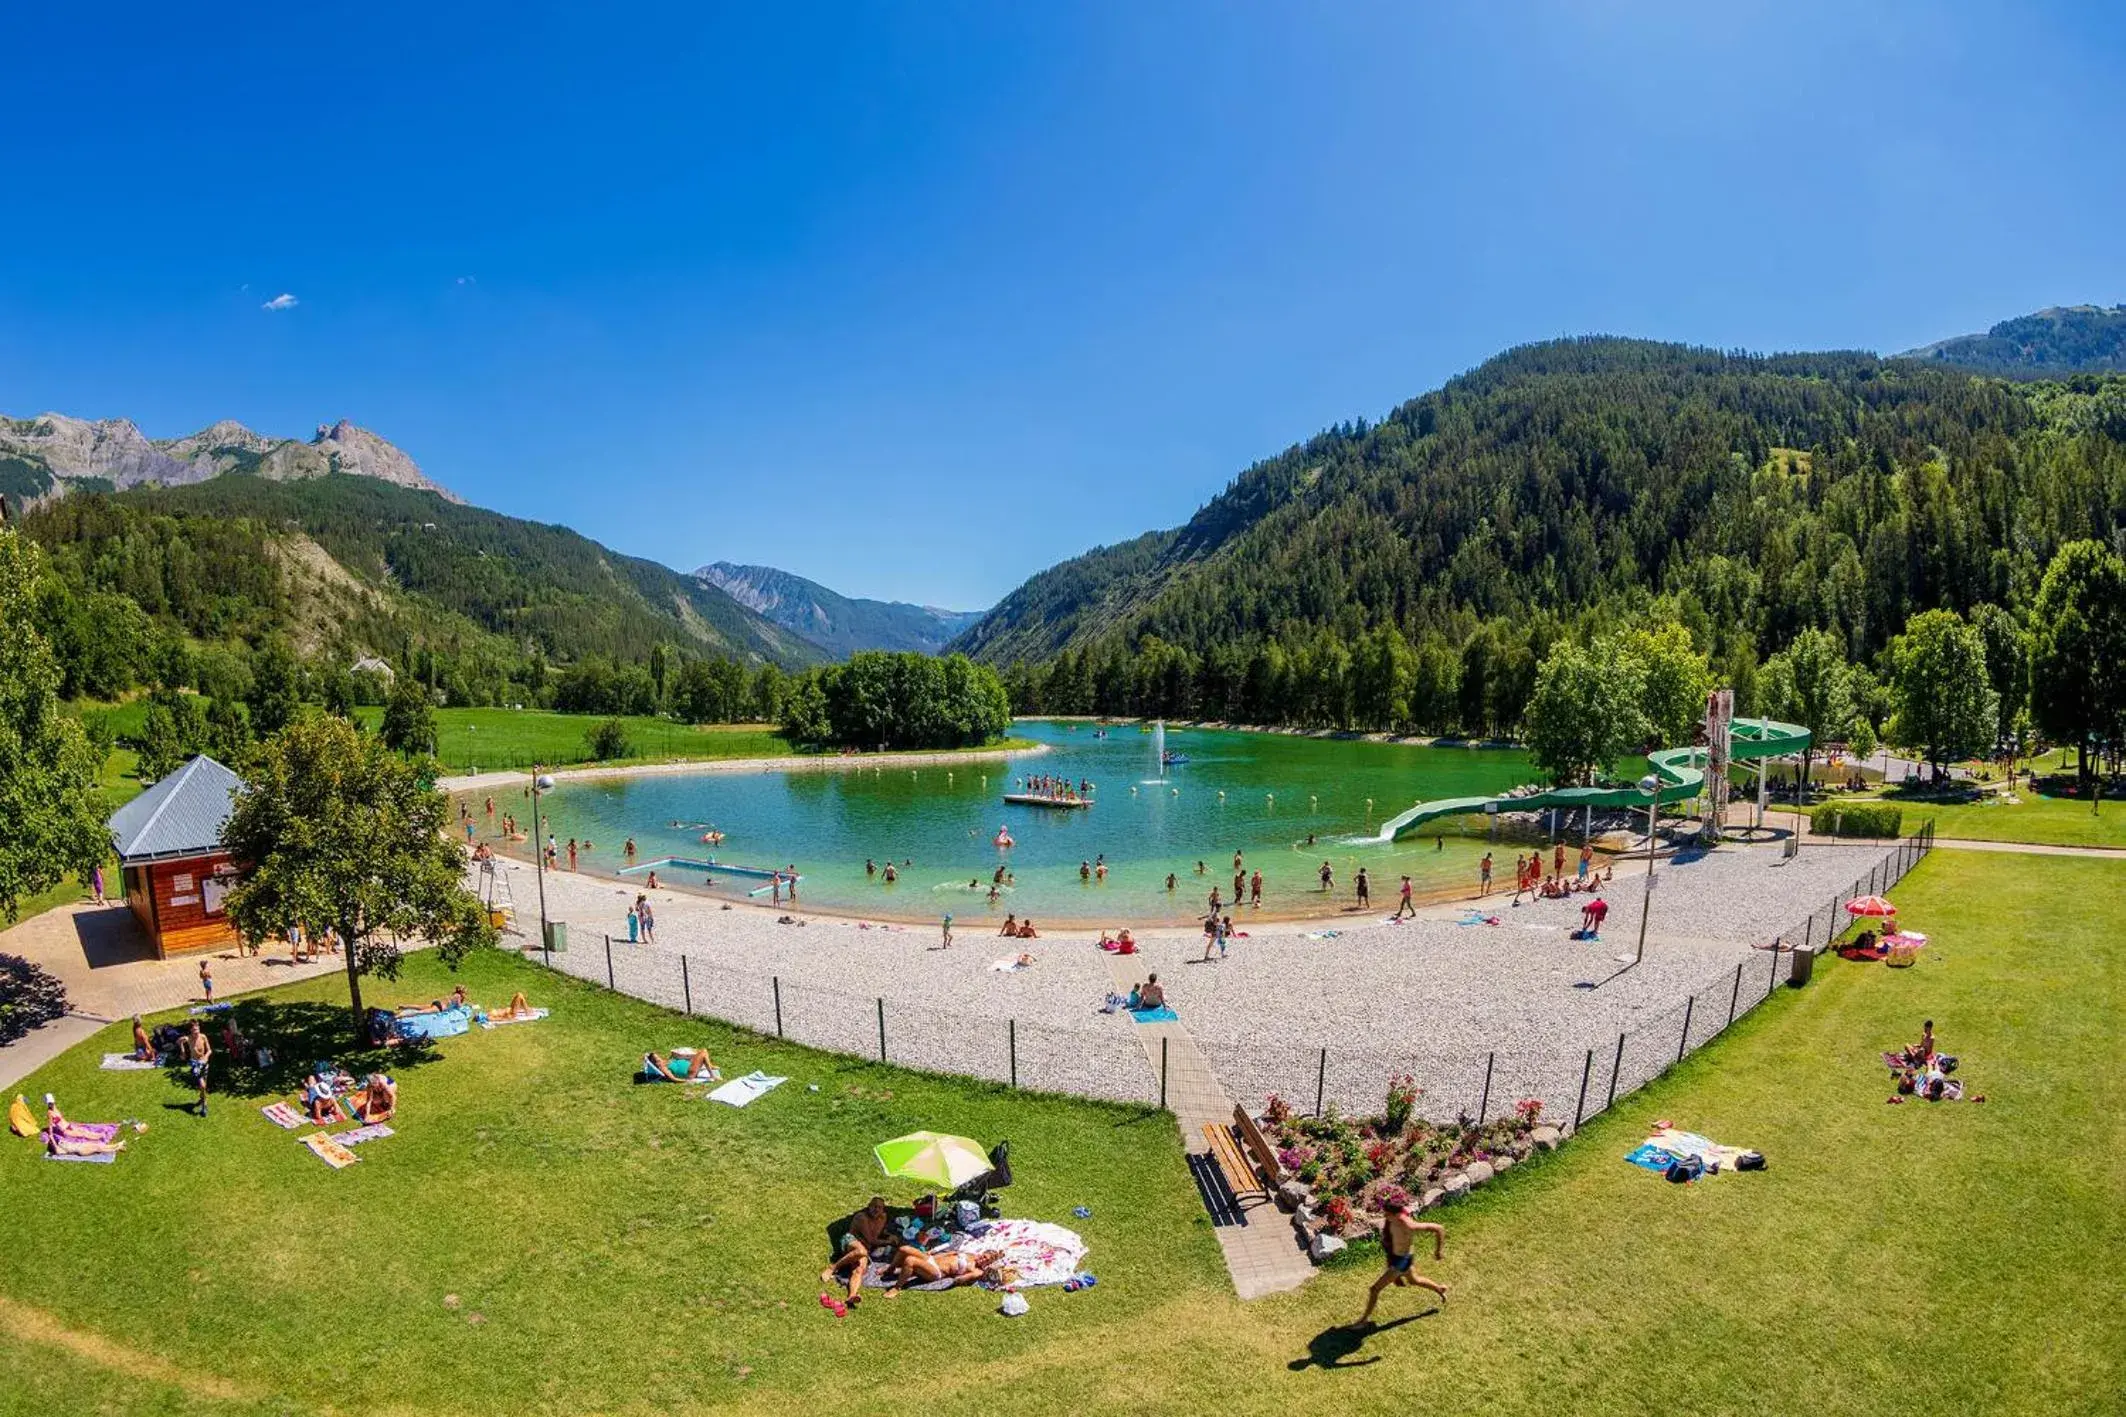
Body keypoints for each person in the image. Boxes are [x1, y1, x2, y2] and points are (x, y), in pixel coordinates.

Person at [1346, 1200, 1447, 1328]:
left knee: (1374, 1289)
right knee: (1415, 1280)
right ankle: (1439, 1289)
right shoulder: (1392, 1220)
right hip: (1400, 1257)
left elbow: (1438, 1228)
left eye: (1387, 1214)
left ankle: (1364, 1320)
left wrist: (1438, 1251)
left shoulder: (1409, 1225)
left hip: (1401, 1260)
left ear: (1397, 1215)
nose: (1385, 1216)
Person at [823, 1196, 895, 1304]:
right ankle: (833, 1267)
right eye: (874, 1206)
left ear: (883, 1210)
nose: (876, 1209)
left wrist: (889, 1236)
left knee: (859, 1269)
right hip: (852, 1241)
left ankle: (852, 1296)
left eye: (879, 1207)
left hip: (866, 1247)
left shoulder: (883, 1217)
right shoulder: (861, 1217)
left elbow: (877, 1233)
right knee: (861, 1252)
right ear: (868, 1207)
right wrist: (889, 1242)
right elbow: (871, 1240)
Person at [886, 1245, 1001, 1293]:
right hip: (932, 1260)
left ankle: (897, 1287)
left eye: (986, 1261)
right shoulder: (972, 1255)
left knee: (910, 1260)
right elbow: (951, 1253)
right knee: (904, 1249)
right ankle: (890, 1269)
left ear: (988, 1264)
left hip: (936, 1272)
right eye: (984, 1257)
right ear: (982, 1253)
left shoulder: (978, 1271)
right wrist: (931, 1255)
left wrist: (962, 1277)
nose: (983, 1260)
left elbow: (959, 1280)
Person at [185, 1022, 212, 1117]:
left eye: (198, 1029)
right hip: (195, 1064)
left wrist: (206, 1057)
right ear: (191, 1031)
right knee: (203, 1085)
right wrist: (182, 1050)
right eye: (195, 1030)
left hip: (204, 1063)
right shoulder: (189, 1039)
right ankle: (204, 1104)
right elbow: (179, 1041)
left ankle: (202, 1098)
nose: (197, 1031)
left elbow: (209, 1050)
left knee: (204, 1083)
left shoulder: (203, 1037)